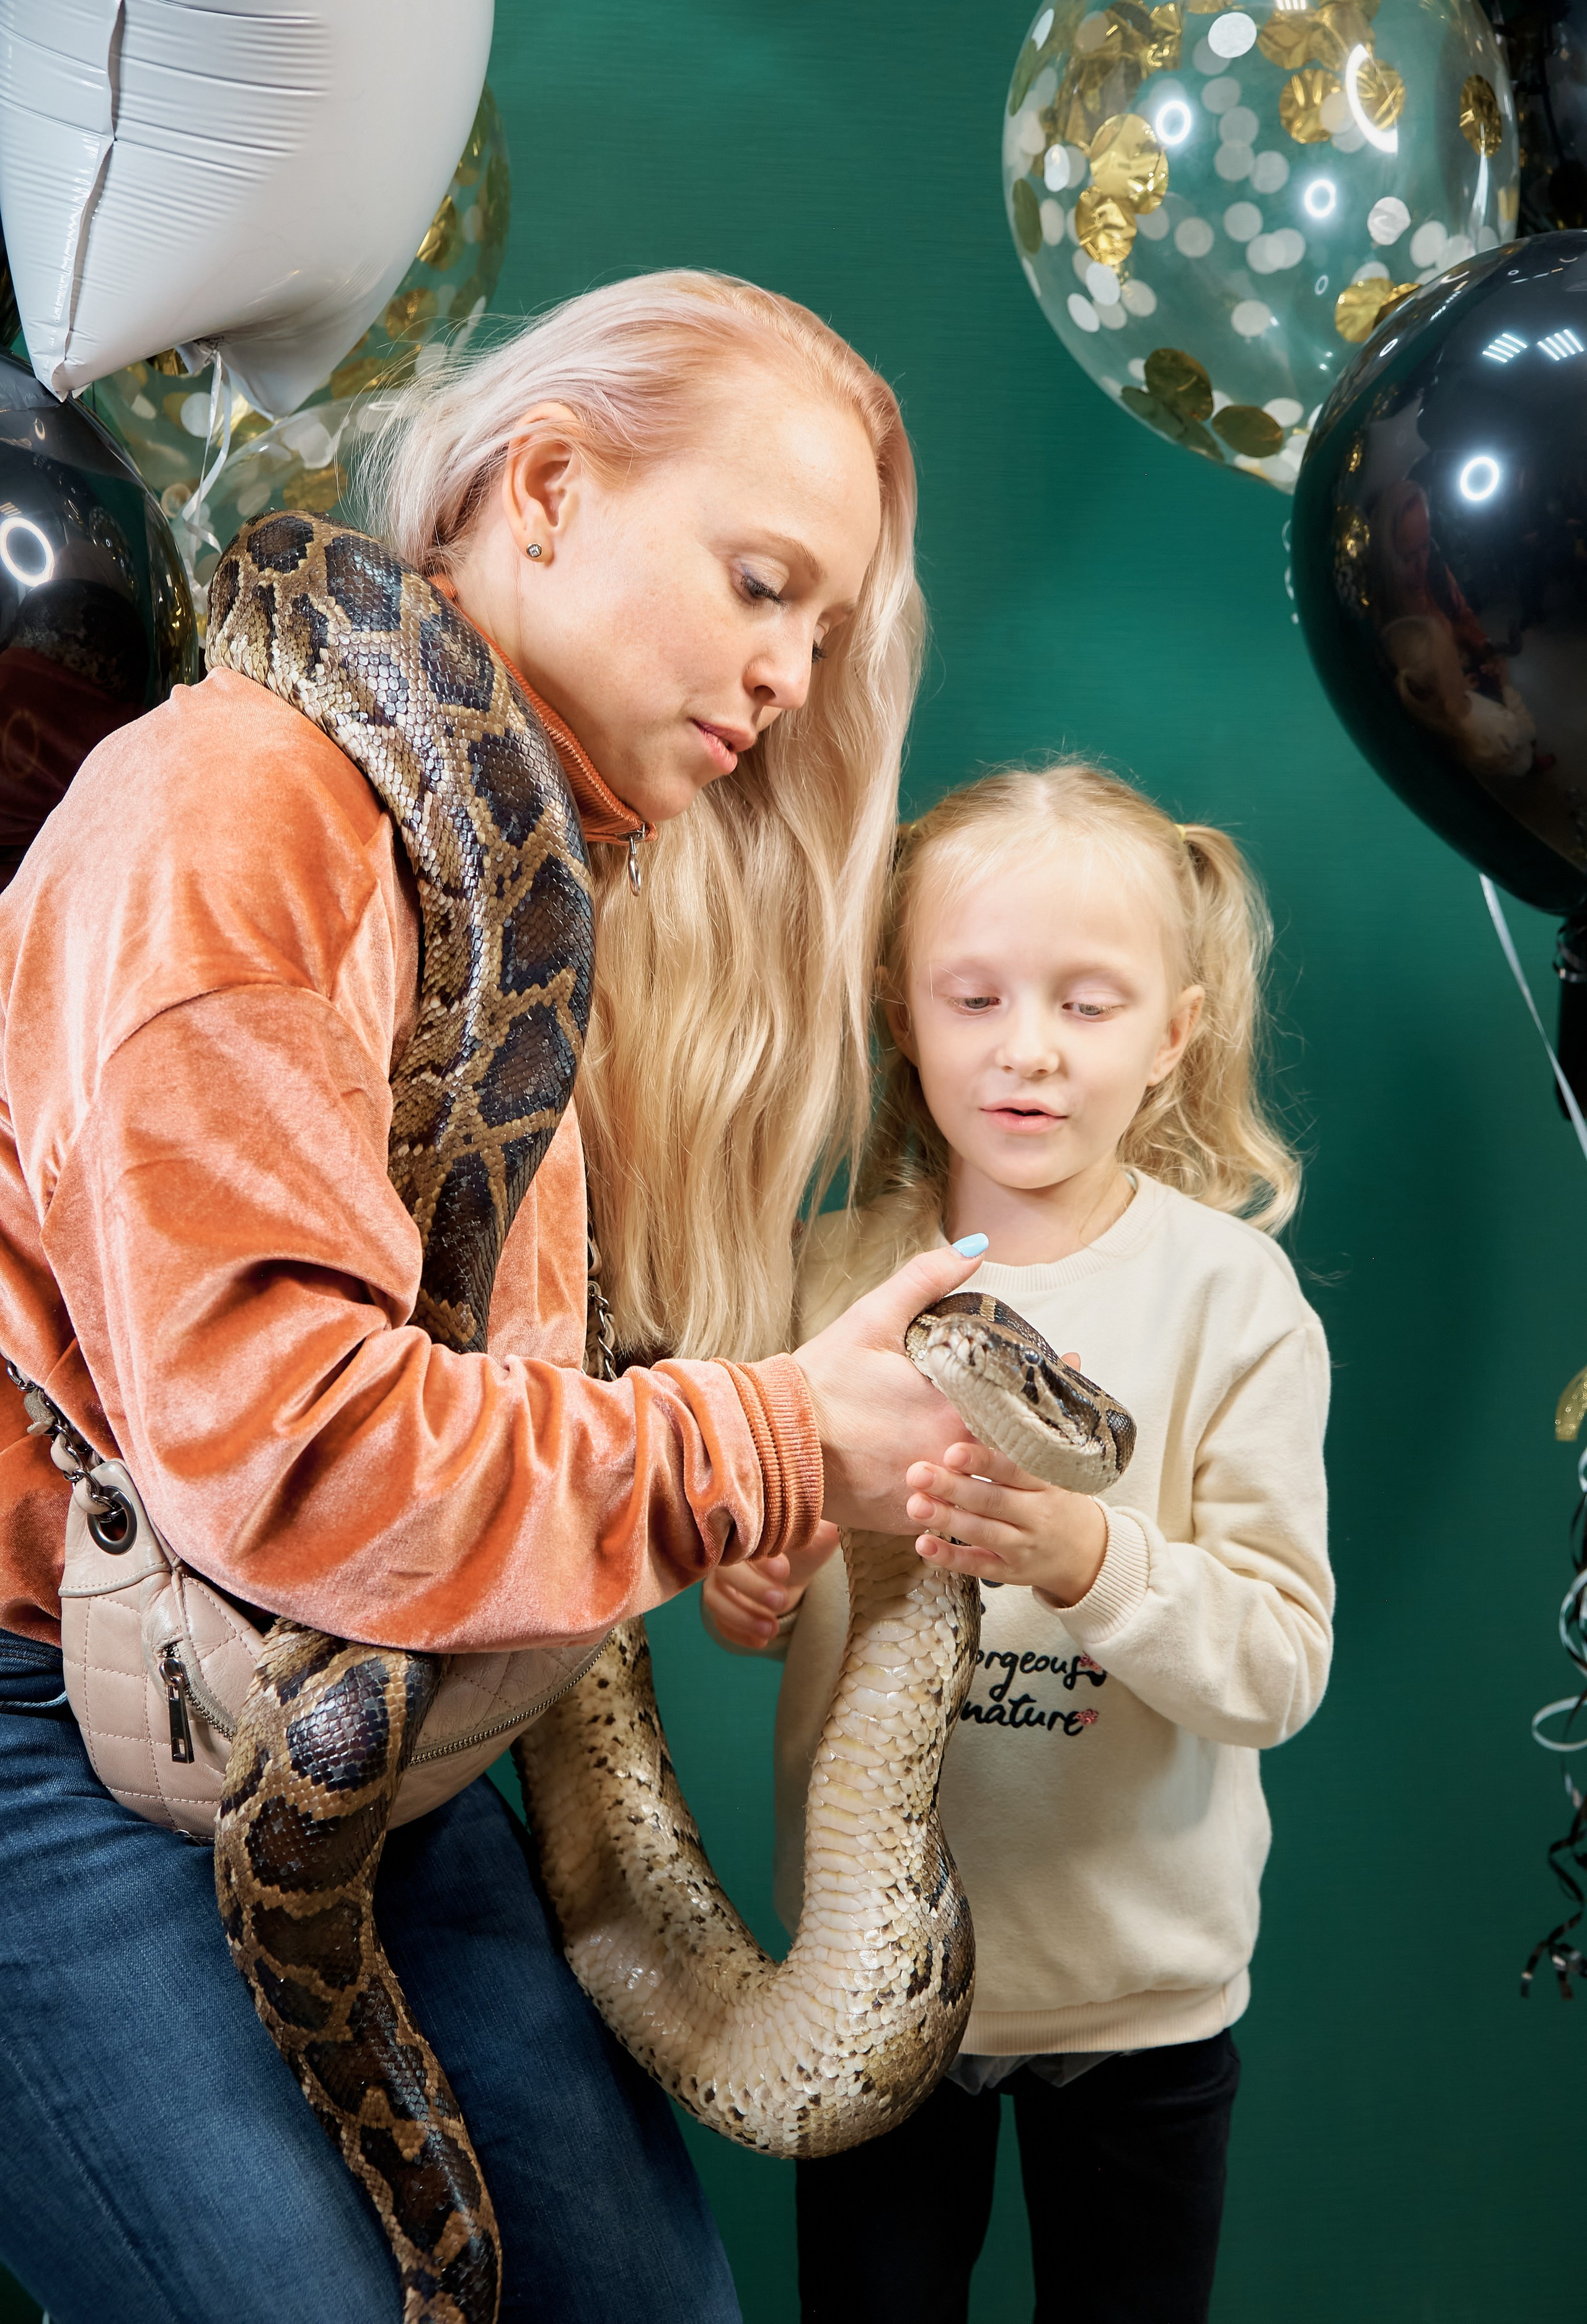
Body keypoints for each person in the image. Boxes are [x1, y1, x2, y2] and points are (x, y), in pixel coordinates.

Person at [0, 271, 987, 2324]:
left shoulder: (539, 866)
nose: (792, 674)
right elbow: (302, 1450)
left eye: (821, 631)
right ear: (545, 487)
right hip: (57, 1736)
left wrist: (734, 1480)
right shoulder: (238, 806)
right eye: (761, 583)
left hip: (360, 1700)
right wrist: (775, 1433)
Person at [705, 761, 1335, 2324]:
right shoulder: (825, 1278)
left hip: (1140, 2019)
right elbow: (759, 1611)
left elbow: (1273, 1670)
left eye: (1089, 1005)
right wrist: (754, 1583)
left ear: (1173, 1035)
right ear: (900, 1014)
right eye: (973, 997)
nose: (1027, 1051)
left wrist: (1081, 1556)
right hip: (864, 1991)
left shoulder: (1229, 1300)